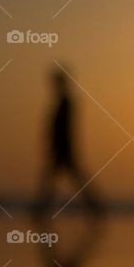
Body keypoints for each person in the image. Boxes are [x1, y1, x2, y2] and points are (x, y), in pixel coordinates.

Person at [33, 68, 102, 217]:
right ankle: (95, 209)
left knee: (57, 180)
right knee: (57, 180)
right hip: (62, 148)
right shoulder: (63, 102)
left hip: (64, 149)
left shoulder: (66, 102)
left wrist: (58, 147)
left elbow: (65, 128)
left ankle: (95, 209)